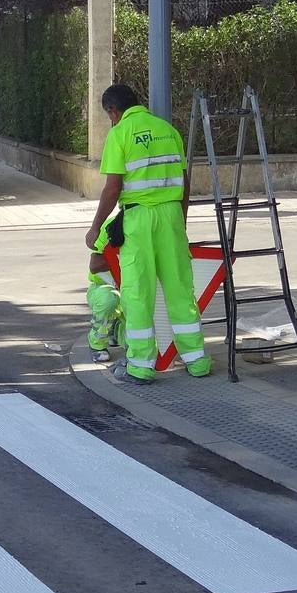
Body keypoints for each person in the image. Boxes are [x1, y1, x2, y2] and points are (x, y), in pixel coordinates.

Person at [85, 83, 210, 383]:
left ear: (113, 111)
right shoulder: (168, 130)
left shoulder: (120, 134)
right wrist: (180, 219)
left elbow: (112, 188)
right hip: (171, 216)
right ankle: (197, 361)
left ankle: (140, 365)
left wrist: (95, 227)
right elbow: (185, 182)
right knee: (180, 289)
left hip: (139, 219)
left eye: (109, 116)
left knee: (138, 293)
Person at [87, 209, 124, 362]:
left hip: (137, 288)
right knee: (109, 299)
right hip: (104, 286)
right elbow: (95, 265)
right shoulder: (112, 225)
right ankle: (97, 343)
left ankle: (116, 330)